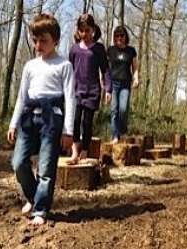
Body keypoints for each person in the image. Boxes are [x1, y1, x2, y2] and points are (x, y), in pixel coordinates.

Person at [7, 13, 76, 226]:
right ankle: (34, 197)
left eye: (43, 40)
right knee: (18, 162)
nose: (38, 45)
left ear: (55, 40)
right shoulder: (30, 66)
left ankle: (40, 209)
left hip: (52, 120)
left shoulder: (64, 65)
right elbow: (21, 97)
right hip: (29, 118)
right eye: (35, 40)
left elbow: (71, 98)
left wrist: (68, 131)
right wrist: (13, 122)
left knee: (46, 168)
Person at [68, 13, 111, 164]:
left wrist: (108, 89)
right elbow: (69, 71)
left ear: (93, 30)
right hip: (76, 91)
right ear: (78, 31)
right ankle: (74, 151)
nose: (84, 34)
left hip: (92, 92)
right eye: (82, 30)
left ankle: (85, 151)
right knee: (75, 121)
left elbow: (105, 70)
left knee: (87, 122)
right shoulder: (74, 49)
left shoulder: (99, 49)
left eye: (87, 30)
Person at [107, 26, 139, 144]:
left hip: (126, 84)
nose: (119, 38)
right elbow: (106, 69)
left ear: (126, 37)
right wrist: (105, 84)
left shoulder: (131, 51)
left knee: (123, 109)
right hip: (113, 83)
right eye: (117, 36)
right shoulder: (110, 50)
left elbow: (135, 68)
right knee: (114, 110)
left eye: (122, 36)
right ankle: (115, 135)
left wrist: (136, 78)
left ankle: (123, 131)